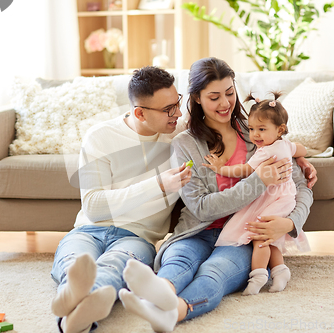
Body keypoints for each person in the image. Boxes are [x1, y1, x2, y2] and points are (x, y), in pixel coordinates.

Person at [118, 57, 317, 332]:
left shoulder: (258, 133)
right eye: (214, 97)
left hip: (243, 236)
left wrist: (291, 223)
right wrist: (257, 181)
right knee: (180, 261)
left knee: (215, 274)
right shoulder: (184, 144)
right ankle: (157, 296)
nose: (225, 103)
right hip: (196, 231)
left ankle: (176, 311)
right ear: (197, 98)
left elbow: (301, 187)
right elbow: (200, 208)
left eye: (230, 93)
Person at [49, 66, 193, 333]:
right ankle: (81, 300)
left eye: (178, 103)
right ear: (139, 112)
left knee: (115, 266)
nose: (179, 114)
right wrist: (158, 185)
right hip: (89, 230)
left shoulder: (183, 135)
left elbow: (240, 128)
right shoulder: (101, 137)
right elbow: (93, 206)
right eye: (168, 109)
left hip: (136, 237)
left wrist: (293, 151)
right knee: (76, 261)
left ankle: (69, 318)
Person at [203, 92, 311, 296]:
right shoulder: (285, 144)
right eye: (252, 129)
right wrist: (300, 157)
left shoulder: (265, 152)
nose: (255, 135)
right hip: (285, 196)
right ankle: (280, 271)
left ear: (280, 130)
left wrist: (220, 168)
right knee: (270, 235)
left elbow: (243, 170)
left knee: (259, 233)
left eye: (262, 129)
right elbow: (302, 148)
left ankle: (259, 275)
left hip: (275, 196)